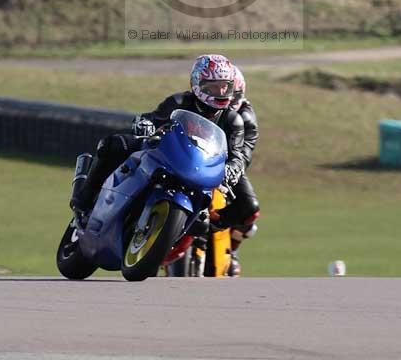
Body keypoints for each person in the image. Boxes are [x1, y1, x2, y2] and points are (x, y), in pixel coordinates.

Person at [70, 54, 251, 226]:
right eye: (213, 86)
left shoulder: (233, 120)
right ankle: (84, 200)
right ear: (198, 84)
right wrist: (146, 124)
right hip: (168, 155)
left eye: (224, 86)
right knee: (113, 144)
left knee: (204, 224)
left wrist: (232, 169)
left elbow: (237, 156)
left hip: (202, 171)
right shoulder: (179, 101)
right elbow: (153, 118)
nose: (219, 92)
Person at [214, 65, 260, 276]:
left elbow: (245, 154)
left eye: (233, 94)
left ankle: (231, 249)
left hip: (229, 165)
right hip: (195, 159)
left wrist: (233, 170)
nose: (227, 99)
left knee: (250, 209)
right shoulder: (203, 105)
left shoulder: (246, 118)